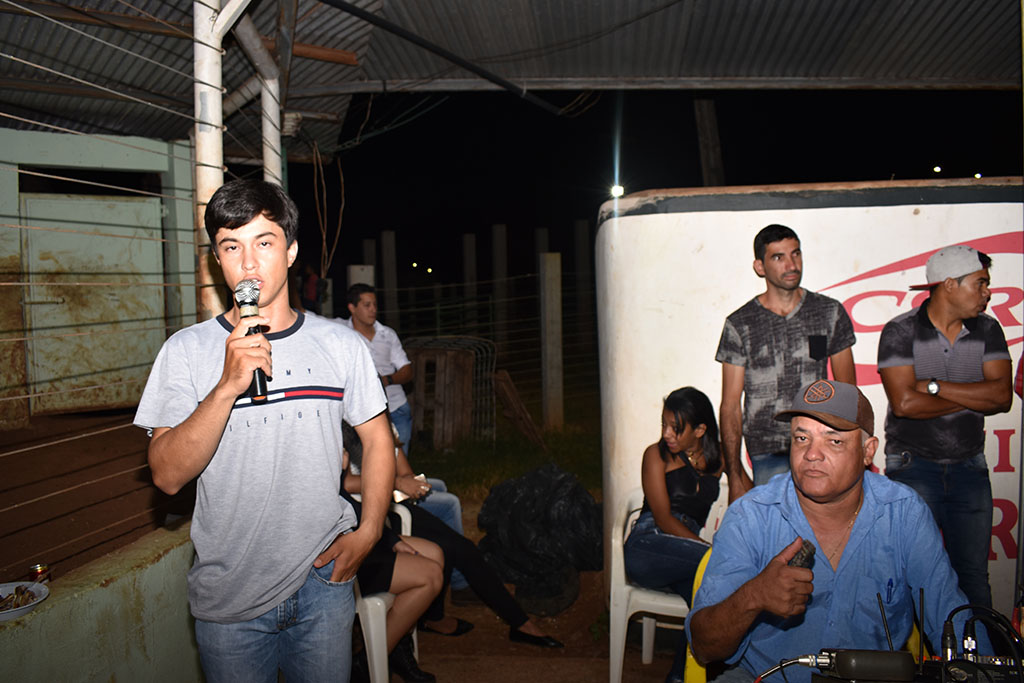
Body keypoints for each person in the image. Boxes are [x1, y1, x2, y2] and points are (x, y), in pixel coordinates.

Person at [135, 179, 395, 682]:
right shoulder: (185, 351)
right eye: (232, 247)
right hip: (230, 596)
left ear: (291, 251)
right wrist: (226, 386)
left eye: (264, 242)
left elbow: (378, 439)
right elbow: (166, 476)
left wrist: (369, 531)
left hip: (323, 581)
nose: (249, 263)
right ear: (217, 259)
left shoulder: (340, 345)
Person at [686, 379, 980, 683]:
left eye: (834, 441)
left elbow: (953, 622)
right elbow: (704, 648)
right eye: (802, 438)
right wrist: (754, 596)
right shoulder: (751, 516)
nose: (812, 454)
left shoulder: (904, 514)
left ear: (868, 451)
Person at [341, 420, 563, 649]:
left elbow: (405, 472)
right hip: (365, 512)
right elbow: (344, 484)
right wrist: (396, 482)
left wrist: (412, 483)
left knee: (453, 543)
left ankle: (443, 617)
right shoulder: (344, 424)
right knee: (455, 547)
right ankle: (517, 622)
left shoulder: (382, 420)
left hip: (393, 505)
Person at [878, 245, 1012, 609]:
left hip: (970, 466)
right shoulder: (901, 330)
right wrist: (975, 395)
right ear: (950, 284)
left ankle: (977, 647)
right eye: (980, 283)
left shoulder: (988, 329)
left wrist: (935, 387)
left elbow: (1002, 397)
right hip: (913, 466)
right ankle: (916, 648)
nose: (987, 292)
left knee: (972, 576)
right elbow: (905, 405)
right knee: (909, 575)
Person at [341, 283, 468, 590]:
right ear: (352, 308)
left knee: (430, 484)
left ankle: (427, 539)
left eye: (375, 304)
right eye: (367, 304)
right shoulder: (341, 336)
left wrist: (384, 381)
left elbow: (407, 371)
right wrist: (400, 482)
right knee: (441, 500)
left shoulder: (387, 335)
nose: (373, 309)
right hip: (371, 451)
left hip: (393, 410)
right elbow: (347, 482)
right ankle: (457, 576)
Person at [716, 224, 856, 502]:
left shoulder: (828, 312)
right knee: (777, 527)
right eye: (778, 257)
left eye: (796, 254)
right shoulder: (740, 324)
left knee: (824, 526)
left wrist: (849, 449)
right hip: (767, 450)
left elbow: (847, 390)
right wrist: (734, 476)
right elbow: (730, 406)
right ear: (760, 266)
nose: (791, 265)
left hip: (820, 445)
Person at [624, 387, 721, 683]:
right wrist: (711, 552)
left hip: (686, 559)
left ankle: (679, 677)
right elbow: (664, 519)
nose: (667, 433)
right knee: (718, 566)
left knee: (707, 600)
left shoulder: (717, 459)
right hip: (648, 545)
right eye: (664, 424)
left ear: (700, 430)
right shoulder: (656, 455)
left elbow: (745, 491)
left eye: (676, 428)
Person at [340, 436, 442, 683]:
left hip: (359, 533)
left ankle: (395, 646)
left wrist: (391, 539)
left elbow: (349, 505)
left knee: (435, 553)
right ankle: (367, 662)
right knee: (430, 576)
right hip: (345, 550)